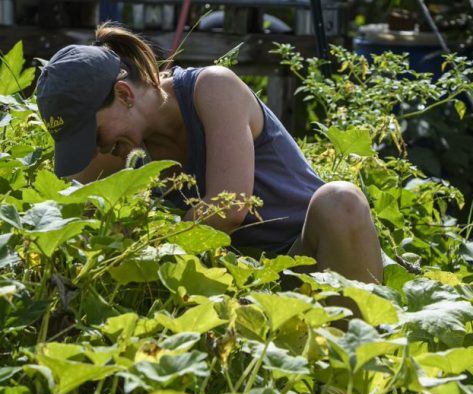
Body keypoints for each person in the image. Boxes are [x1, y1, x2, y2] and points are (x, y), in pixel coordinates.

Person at [35, 22, 384, 285]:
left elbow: (228, 208)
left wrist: (139, 244)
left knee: (340, 199)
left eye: (92, 134)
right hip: (233, 285)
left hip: (308, 260)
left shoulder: (213, 88)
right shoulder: (119, 143)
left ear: (125, 94)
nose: (96, 148)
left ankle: (350, 377)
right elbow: (68, 213)